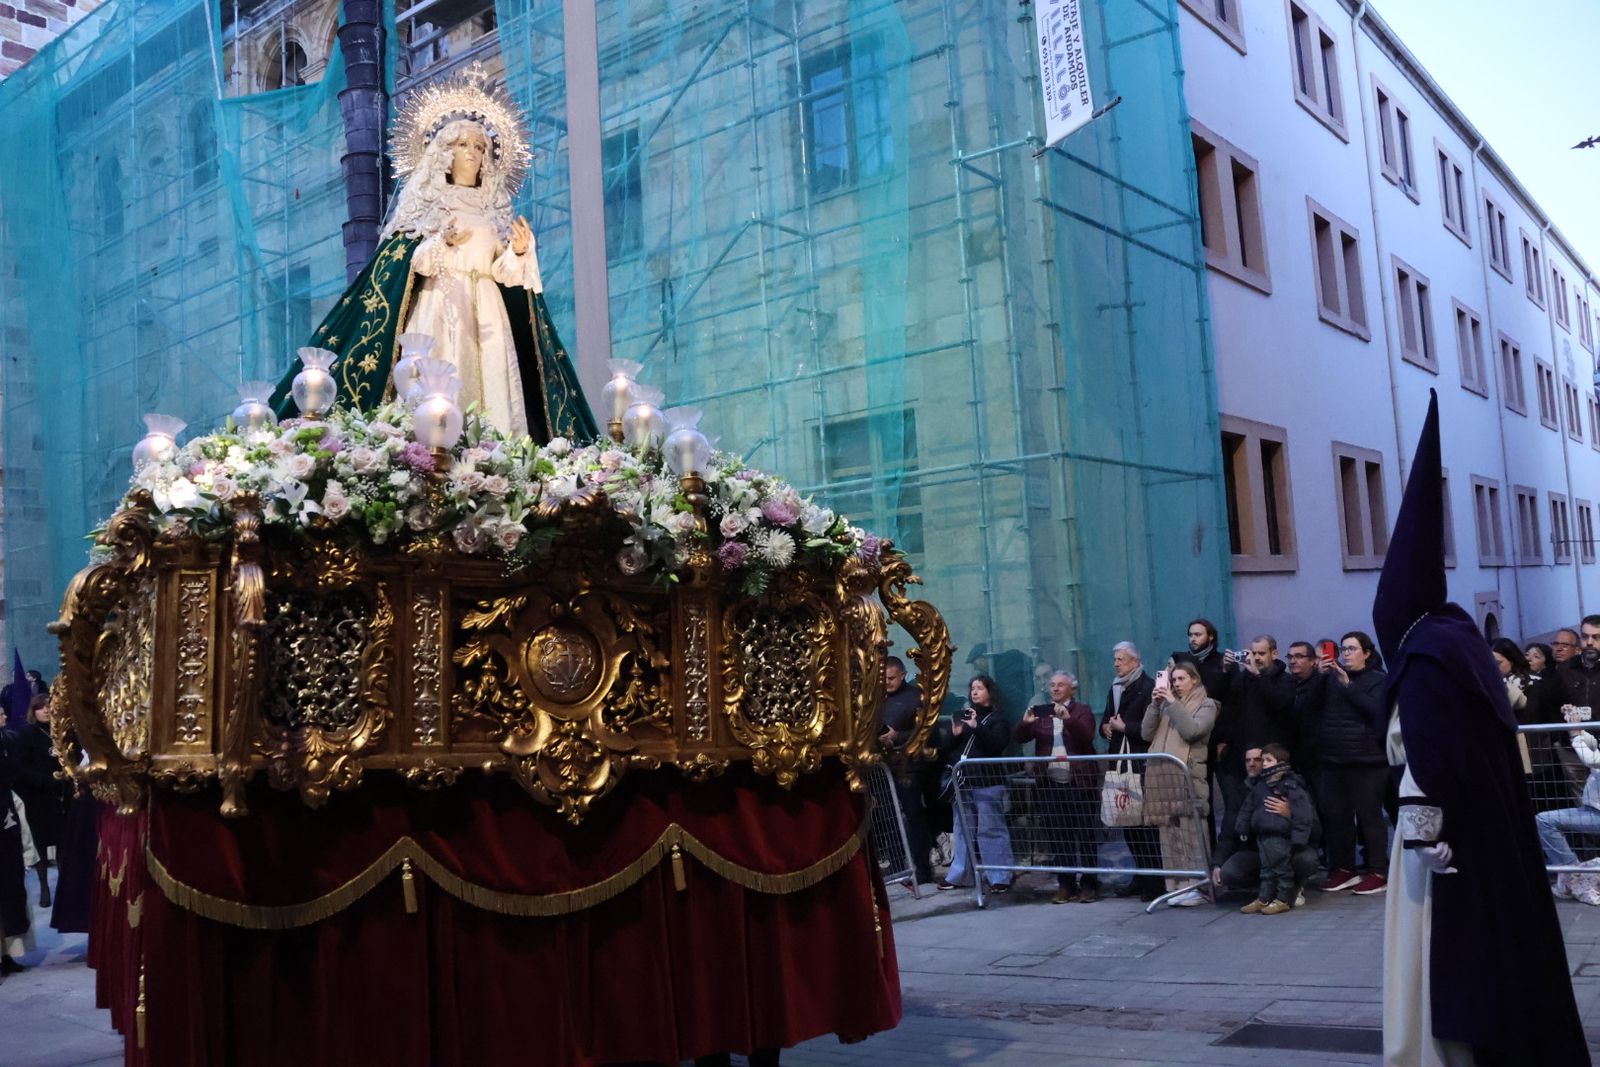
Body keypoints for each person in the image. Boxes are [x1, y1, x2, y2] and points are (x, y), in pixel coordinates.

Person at [1376, 391, 1587, 1065]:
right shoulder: (1457, 636)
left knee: (1438, 956)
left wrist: (1420, 831)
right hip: (1489, 828)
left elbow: (1434, 761)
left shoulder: (1425, 651)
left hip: (1442, 838)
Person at [270, 63, 596, 442]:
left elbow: (504, 274)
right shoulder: (427, 203)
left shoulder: (493, 211)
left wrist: (520, 255)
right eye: (463, 146)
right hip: (440, 304)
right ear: (444, 153)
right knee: (438, 378)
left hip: (488, 310)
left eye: (480, 147)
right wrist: (442, 242)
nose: (473, 154)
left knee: (493, 386)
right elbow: (410, 264)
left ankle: (497, 457)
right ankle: (432, 452)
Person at [1315, 631, 1390, 896]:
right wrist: (1319, 677)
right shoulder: (1331, 679)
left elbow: (1376, 712)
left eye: (1352, 649)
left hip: (1368, 760)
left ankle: (1378, 871)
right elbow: (1311, 707)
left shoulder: (1379, 679)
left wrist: (1349, 686)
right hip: (1334, 759)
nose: (1346, 653)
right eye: (1343, 649)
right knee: (1337, 818)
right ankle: (1344, 869)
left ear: (1367, 653)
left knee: (1370, 818)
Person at [1014, 672, 1098, 903]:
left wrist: (1068, 718)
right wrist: (1025, 723)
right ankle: (1066, 884)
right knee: (1058, 836)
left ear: (1072, 689)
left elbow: (1087, 736)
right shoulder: (1042, 713)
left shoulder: (1082, 710)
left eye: (1061, 685)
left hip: (1078, 782)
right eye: (1052, 685)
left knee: (1085, 835)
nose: (1055, 689)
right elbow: (1020, 737)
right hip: (1050, 783)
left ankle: (1090, 883)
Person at [1141, 662, 1217, 907]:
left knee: (1191, 833)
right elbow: (1145, 733)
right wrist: (1155, 705)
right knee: (1169, 835)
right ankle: (1175, 886)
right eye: (1173, 680)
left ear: (1194, 679)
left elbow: (1192, 730)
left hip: (1187, 778)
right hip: (1162, 778)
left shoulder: (1208, 704)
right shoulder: (1165, 705)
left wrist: (1172, 704)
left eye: (1181, 679)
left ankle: (1198, 886)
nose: (1175, 684)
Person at [1213, 747, 1320, 907]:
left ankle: (1291, 890)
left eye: (1258, 760)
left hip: (1288, 847)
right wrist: (1217, 863)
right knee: (1229, 873)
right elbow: (1229, 830)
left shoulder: (1291, 786)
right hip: (1257, 849)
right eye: (1248, 760)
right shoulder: (1243, 791)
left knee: (1306, 859)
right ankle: (1265, 892)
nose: (1253, 764)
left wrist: (1290, 815)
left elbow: (1314, 827)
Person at [1216, 636, 1294, 854]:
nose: (1256, 658)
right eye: (1253, 653)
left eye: (1261, 653)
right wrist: (1226, 670)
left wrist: (1258, 677)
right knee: (1239, 808)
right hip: (1244, 754)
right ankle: (1239, 859)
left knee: (1270, 808)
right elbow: (1228, 704)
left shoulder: (1284, 679)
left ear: (1274, 654)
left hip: (1273, 756)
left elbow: (1280, 703)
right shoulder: (1244, 678)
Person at [1099, 642, 1162, 901]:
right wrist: (1105, 728)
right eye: (1115, 659)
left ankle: (1154, 880)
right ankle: (1140, 875)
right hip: (1119, 761)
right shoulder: (1115, 687)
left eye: (1121, 660)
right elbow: (1107, 718)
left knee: (1145, 825)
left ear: (1135, 661)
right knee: (1127, 820)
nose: (1116, 664)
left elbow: (1152, 727)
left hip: (1140, 761)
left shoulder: (1148, 688)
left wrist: (1126, 727)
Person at [939, 676, 1014, 893]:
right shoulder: (965, 717)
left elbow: (997, 745)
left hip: (988, 782)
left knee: (990, 830)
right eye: (972, 688)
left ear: (991, 692)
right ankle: (961, 875)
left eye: (980, 688)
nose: (974, 692)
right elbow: (948, 750)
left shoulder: (998, 718)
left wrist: (977, 727)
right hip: (963, 782)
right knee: (962, 829)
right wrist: (954, 735)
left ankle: (999, 876)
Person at [879, 656, 934, 885]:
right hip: (882, 768)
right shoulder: (876, 698)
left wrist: (897, 736)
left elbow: (924, 732)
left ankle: (922, 868)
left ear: (902, 675)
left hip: (908, 768)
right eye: (883, 679)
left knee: (913, 817)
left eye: (891, 678)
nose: (887, 682)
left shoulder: (916, 698)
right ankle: (896, 861)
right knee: (887, 818)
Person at [1534, 712, 1600, 886]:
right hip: (1594, 810)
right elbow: (1594, 744)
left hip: (1597, 813)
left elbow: (1591, 759)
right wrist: (1577, 728)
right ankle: (1573, 873)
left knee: (1544, 821)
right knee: (1544, 820)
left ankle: (1573, 875)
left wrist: (1575, 733)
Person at [13, 692, 65, 908]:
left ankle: (64, 887)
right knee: (40, 846)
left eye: (48, 706)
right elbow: (21, 768)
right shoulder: (26, 735)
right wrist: (45, 781)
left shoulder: (62, 733)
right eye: (41, 707)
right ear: (33, 711)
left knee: (63, 844)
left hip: (61, 796)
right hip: (38, 797)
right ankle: (44, 887)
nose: (45, 710)